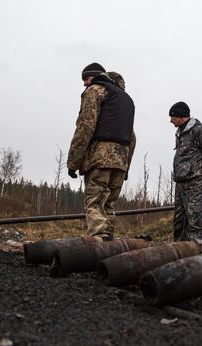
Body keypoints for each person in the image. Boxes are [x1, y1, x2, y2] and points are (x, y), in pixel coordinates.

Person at [67, 63, 136, 240]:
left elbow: (85, 127)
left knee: (95, 202)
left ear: (98, 76)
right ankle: (108, 245)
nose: (84, 83)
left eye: (86, 78)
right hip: (120, 160)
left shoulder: (95, 91)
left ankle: (96, 243)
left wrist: (73, 162)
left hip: (99, 158)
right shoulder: (126, 99)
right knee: (109, 205)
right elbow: (132, 137)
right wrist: (126, 166)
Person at [169, 101, 202, 252]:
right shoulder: (180, 133)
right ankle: (180, 255)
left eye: (172, 117)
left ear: (180, 116)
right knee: (179, 223)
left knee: (196, 223)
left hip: (195, 183)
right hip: (181, 183)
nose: (170, 120)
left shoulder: (199, 131)